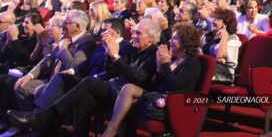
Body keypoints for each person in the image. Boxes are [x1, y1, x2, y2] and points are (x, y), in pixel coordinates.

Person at [8, 19, 161, 137]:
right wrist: (110, 55)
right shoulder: (132, 49)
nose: (133, 35)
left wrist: (116, 56)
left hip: (126, 97)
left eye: (138, 33)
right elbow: (112, 71)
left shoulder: (153, 53)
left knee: (88, 82)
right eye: (134, 32)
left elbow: (139, 79)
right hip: (112, 87)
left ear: (151, 38)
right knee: (82, 97)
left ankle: (41, 117)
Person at [101, 22, 202, 137]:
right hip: (156, 96)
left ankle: (110, 132)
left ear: (186, 42)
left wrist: (164, 65)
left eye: (175, 38)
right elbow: (154, 85)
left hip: (172, 104)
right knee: (126, 96)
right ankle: (115, 132)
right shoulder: (173, 60)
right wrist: (159, 71)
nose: (170, 41)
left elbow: (176, 88)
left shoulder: (192, 63)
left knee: (129, 92)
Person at [201, 7, 241, 81]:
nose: (212, 21)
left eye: (216, 20)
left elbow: (220, 54)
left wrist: (225, 36)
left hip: (223, 74)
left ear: (226, 23)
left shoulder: (232, 39)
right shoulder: (208, 35)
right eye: (212, 18)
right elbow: (198, 52)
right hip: (205, 67)